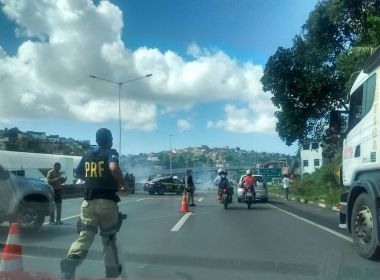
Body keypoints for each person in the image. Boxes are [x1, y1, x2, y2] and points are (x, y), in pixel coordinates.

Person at [60, 128, 126, 280]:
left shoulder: (87, 154)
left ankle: (71, 261)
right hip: (107, 203)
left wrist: (92, 178)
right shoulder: (111, 152)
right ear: (110, 140)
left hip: (88, 203)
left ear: (96, 141)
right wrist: (121, 183)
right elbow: (113, 167)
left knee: (85, 235)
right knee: (108, 238)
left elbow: (78, 173)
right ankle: (111, 270)